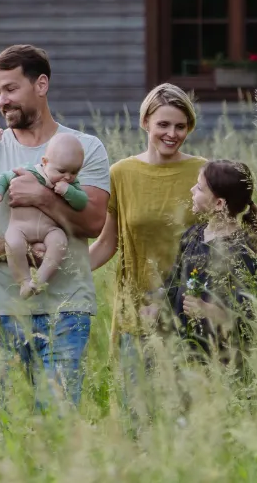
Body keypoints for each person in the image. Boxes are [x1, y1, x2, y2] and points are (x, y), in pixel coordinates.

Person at [0, 45, 111, 408]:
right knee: (8, 426)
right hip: (0, 308)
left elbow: (94, 221)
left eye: (10, 89)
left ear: (41, 85)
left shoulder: (85, 148)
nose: (1, 101)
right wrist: (18, 253)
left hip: (68, 309)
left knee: (57, 425)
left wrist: (41, 197)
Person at [88, 83, 207, 392]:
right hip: (137, 313)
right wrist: (62, 271)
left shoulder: (204, 172)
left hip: (191, 313)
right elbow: (106, 244)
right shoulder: (121, 173)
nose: (172, 133)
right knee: (137, 417)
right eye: (163, 124)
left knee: (187, 418)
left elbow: (219, 242)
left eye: (181, 126)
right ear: (145, 123)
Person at [147, 159, 257, 375]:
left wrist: (206, 309)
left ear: (219, 204)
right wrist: (156, 304)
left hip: (220, 361)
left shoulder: (240, 253)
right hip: (185, 352)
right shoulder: (192, 235)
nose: (192, 190)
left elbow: (246, 316)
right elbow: (174, 281)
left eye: (199, 188)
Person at [0, 133, 88, 298]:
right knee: (13, 243)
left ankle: (41, 278)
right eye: (62, 171)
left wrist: (69, 191)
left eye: (74, 172)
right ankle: (24, 282)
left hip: (50, 229)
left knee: (60, 242)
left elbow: (82, 202)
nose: (68, 177)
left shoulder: (70, 184)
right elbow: (4, 177)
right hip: (20, 227)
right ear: (45, 162)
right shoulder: (29, 171)